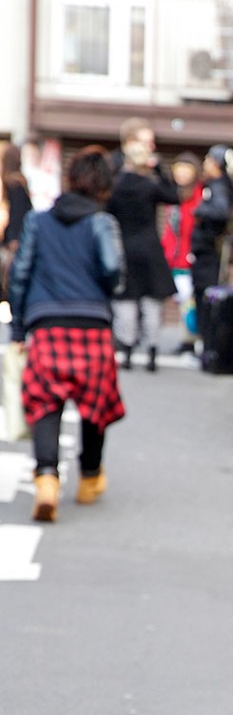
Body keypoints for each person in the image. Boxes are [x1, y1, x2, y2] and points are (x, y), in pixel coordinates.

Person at [8, 145, 126, 522]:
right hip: (91, 324)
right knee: (95, 405)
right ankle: (89, 477)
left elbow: (20, 273)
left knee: (45, 403)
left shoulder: (38, 221)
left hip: (47, 324)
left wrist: (19, 326)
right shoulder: (102, 222)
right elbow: (112, 271)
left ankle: (46, 479)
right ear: (103, 185)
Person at [107, 118, 178, 371]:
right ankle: (150, 351)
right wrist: (158, 170)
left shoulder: (115, 181)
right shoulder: (147, 183)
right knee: (150, 304)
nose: (150, 146)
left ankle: (126, 350)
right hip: (148, 249)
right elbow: (174, 196)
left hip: (124, 249)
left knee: (127, 302)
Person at [189, 144, 233, 365]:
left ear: (216, 163)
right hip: (211, 255)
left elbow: (220, 211)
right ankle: (208, 350)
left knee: (206, 302)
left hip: (209, 255)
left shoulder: (219, 186)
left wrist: (199, 210)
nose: (204, 164)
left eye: (208, 159)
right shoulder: (224, 186)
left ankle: (208, 352)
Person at [160, 151, 203, 353]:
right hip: (173, 258)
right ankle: (188, 339)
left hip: (190, 258)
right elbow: (170, 230)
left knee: (189, 302)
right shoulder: (172, 195)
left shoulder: (200, 195)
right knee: (182, 302)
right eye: (179, 169)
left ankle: (192, 340)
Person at [1, 144, 33, 298]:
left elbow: (17, 216)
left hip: (13, 245)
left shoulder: (15, 185)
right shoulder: (18, 184)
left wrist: (13, 240)